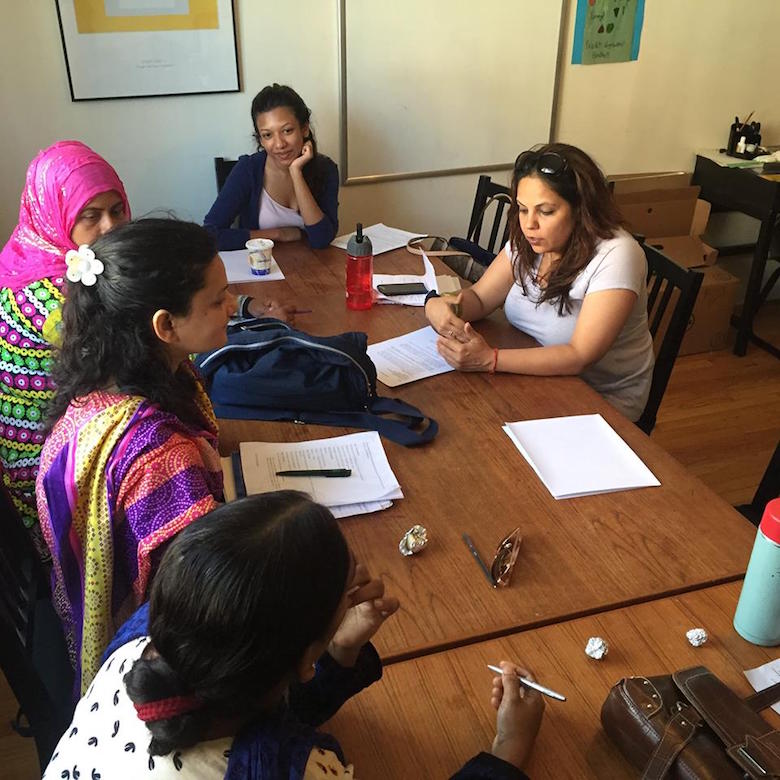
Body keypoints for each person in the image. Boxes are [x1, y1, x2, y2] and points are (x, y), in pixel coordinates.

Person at [44, 491, 544, 780]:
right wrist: (507, 748)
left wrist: (339, 648)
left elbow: (247, 699)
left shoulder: (140, 649)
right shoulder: (291, 768)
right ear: (305, 658)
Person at [37, 218, 234, 695]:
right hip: (152, 666)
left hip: (82, 624)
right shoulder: (158, 458)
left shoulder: (95, 390)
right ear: (164, 325)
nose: (232, 307)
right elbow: (206, 602)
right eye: (217, 300)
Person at [425, 143, 654, 422]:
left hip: (600, 401)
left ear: (581, 210)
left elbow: (580, 355)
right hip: (535, 377)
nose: (529, 224)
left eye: (545, 211)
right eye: (522, 210)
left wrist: (490, 359)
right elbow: (482, 298)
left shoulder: (618, 254)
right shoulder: (530, 240)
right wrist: (442, 306)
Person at [0, 140, 131, 559]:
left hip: (75, 442)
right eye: (90, 216)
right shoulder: (51, 295)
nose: (111, 227)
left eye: (118, 209)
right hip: (51, 482)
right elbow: (127, 370)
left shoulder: (35, 256)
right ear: (56, 216)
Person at [204, 84, 339, 251]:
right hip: (261, 270)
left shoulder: (326, 169)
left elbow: (322, 239)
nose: (279, 144)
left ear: (304, 129)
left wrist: (296, 172)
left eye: (287, 130)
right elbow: (210, 234)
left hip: (311, 271)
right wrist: (277, 234)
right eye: (268, 135)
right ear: (260, 139)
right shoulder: (249, 169)